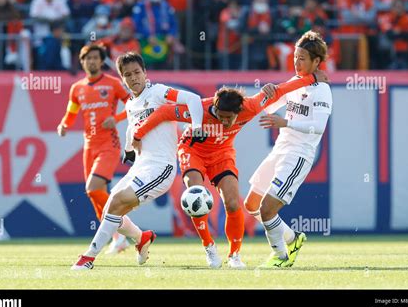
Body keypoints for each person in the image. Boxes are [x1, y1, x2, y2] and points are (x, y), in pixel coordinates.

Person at [131, 67, 328, 269]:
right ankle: (209, 246)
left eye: (229, 118)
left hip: (222, 154)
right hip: (193, 152)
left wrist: (311, 78)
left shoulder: (249, 106)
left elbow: (280, 90)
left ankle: (234, 255)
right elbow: (164, 112)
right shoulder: (200, 108)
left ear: (238, 112)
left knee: (233, 203)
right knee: (195, 197)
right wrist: (137, 135)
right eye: (220, 116)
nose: (224, 121)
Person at [71, 52, 204, 270]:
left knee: (117, 202)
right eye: (127, 75)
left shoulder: (159, 92)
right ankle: (141, 238)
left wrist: (197, 127)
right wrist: (128, 149)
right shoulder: (132, 103)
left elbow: (193, 99)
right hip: (141, 166)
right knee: (109, 210)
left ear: (145, 72)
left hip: (162, 167)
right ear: (122, 79)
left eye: (137, 72)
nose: (133, 78)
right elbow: (132, 128)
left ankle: (89, 257)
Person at [244, 30, 332, 268]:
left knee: (267, 209)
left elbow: (318, 127)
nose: (296, 62)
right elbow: (268, 108)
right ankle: (293, 238)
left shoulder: (322, 90)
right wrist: (270, 91)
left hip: (298, 155)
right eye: (295, 56)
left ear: (316, 62)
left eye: (302, 58)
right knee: (251, 205)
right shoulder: (295, 83)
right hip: (280, 149)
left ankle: (281, 256)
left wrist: (286, 122)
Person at [58, 44, 130, 254]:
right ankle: (117, 237)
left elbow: (132, 104)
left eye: (95, 58)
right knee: (95, 194)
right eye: (87, 58)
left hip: (109, 144)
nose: (91, 62)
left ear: (101, 61)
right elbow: (71, 112)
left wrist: (115, 118)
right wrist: (64, 125)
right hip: (89, 146)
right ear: (82, 62)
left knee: (93, 187)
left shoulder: (113, 84)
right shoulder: (77, 88)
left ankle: (126, 229)